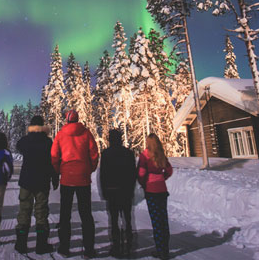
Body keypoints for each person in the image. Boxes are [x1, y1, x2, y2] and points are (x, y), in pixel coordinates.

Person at [51, 110, 99, 258]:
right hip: (83, 179)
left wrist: (60, 170)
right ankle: (89, 250)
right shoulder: (86, 133)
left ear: (67, 120)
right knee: (86, 214)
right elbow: (94, 154)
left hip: (67, 179)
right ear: (78, 119)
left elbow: (54, 156)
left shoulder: (60, 134)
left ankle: (65, 248)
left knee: (65, 215)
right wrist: (89, 169)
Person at [14, 115, 59, 254]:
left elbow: (18, 145)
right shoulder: (47, 141)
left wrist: (30, 134)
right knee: (41, 212)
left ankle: (21, 244)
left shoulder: (26, 140)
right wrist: (55, 178)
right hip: (42, 181)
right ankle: (41, 245)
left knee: (24, 211)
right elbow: (53, 161)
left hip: (26, 181)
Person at [100, 129, 136, 258]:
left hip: (112, 191)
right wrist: (131, 189)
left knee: (114, 220)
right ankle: (129, 247)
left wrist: (104, 191)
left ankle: (116, 247)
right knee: (127, 219)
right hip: (125, 191)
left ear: (110, 139)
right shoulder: (128, 153)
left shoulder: (106, 154)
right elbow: (133, 174)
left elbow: (103, 174)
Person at [137, 133, 173, 260]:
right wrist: (162, 178)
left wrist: (143, 183)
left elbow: (141, 173)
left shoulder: (144, 155)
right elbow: (169, 170)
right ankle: (165, 249)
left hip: (151, 190)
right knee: (163, 219)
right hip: (162, 190)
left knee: (156, 221)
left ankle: (160, 250)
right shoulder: (161, 154)